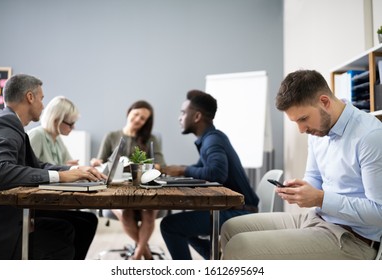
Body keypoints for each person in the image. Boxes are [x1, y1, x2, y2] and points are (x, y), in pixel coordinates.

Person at [221, 69, 382, 260]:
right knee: (230, 228)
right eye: (296, 122)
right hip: (317, 219)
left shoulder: (369, 137)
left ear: (324, 102)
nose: (301, 130)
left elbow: (378, 212)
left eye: (303, 119)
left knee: (241, 247)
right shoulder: (319, 131)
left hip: (353, 240)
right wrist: (299, 190)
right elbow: (314, 177)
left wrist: (320, 199)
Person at [0, 74, 106, 260]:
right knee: (65, 237)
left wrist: (71, 171)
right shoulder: (6, 122)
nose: (43, 106)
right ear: (30, 97)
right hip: (5, 225)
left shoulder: (9, 121)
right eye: (42, 98)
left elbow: (36, 165)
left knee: (81, 223)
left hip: (13, 213)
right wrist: (60, 177)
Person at [160, 89, 260, 260]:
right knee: (180, 221)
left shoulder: (212, 140)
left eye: (183, 113)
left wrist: (183, 170)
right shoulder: (211, 138)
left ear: (197, 117)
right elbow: (200, 169)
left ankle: (209, 255)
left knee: (170, 226)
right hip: (237, 208)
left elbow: (216, 173)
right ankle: (212, 253)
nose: (179, 118)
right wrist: (175, 170)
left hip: (242, 212)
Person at [91, 100, 166, 260]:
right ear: (129, 112)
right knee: (125, 211)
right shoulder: (111, 136)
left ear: (146, 122)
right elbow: (100, 162)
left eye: (143, 118)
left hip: (143, 188)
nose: (138, 119)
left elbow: (160, 165)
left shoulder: (150, 138)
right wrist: (96, 163)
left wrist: (149, 167)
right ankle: (146, 254)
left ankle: (136, 256)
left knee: (149, 211)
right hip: (117, 189)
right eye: (136, 114)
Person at [28, 96, 80, 166]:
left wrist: (69, 166)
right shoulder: (37, 135)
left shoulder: (57, 139)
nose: (73, 127)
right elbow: (28, 169)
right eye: (70, 123)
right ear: (56, 120)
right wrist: (64, 168)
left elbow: (68, 163)